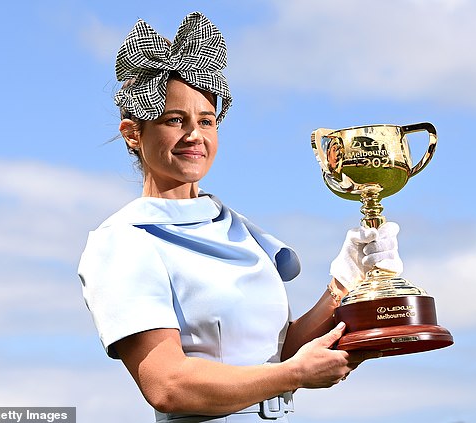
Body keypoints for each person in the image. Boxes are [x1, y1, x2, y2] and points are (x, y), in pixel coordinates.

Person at [78, 11, 403, 423]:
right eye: (175, 120)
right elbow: (168, 386)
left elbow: (278, 355)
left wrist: (345, 289)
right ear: (133, 132)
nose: (194, 134)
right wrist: (295, 373)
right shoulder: (124, 241)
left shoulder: (240, 230)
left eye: (206, 121)